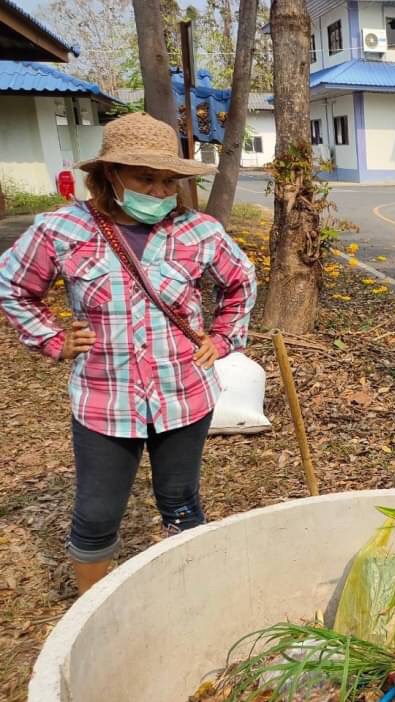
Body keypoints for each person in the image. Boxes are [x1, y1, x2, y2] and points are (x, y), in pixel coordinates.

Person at [0, 112, 257, 595]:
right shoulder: (62, 229)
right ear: (110, 174)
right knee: (97, 513)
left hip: (184, 393)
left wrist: (222, 338)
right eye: (144, 178)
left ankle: (194, 598)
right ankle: (90, 615)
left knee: (180, 501)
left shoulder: (198, 231)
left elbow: (241, 281)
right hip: (105, 399)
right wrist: (53, 338)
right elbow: (12, 285)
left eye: (169, 181)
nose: (159, 192)